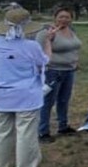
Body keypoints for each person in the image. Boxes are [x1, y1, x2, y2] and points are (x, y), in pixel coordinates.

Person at [0, 6, 52, 167]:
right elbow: (44, 62)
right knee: (26, 134)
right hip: (25, 94)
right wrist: (48, 43)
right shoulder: (30, 46)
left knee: (0, 134)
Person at [35, 7, 82, 141]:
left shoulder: (72, 31)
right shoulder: (46, 32)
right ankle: (43, 131)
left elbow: (74, 47)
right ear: (55, 18)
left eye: (67, 17)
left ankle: (63, 126)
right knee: (48, 102)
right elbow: (38, 51)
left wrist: (75, 60)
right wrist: (49, 39)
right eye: (61, 17)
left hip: (69, 70)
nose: (64, 20)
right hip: (53, 71)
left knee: (64, 100)